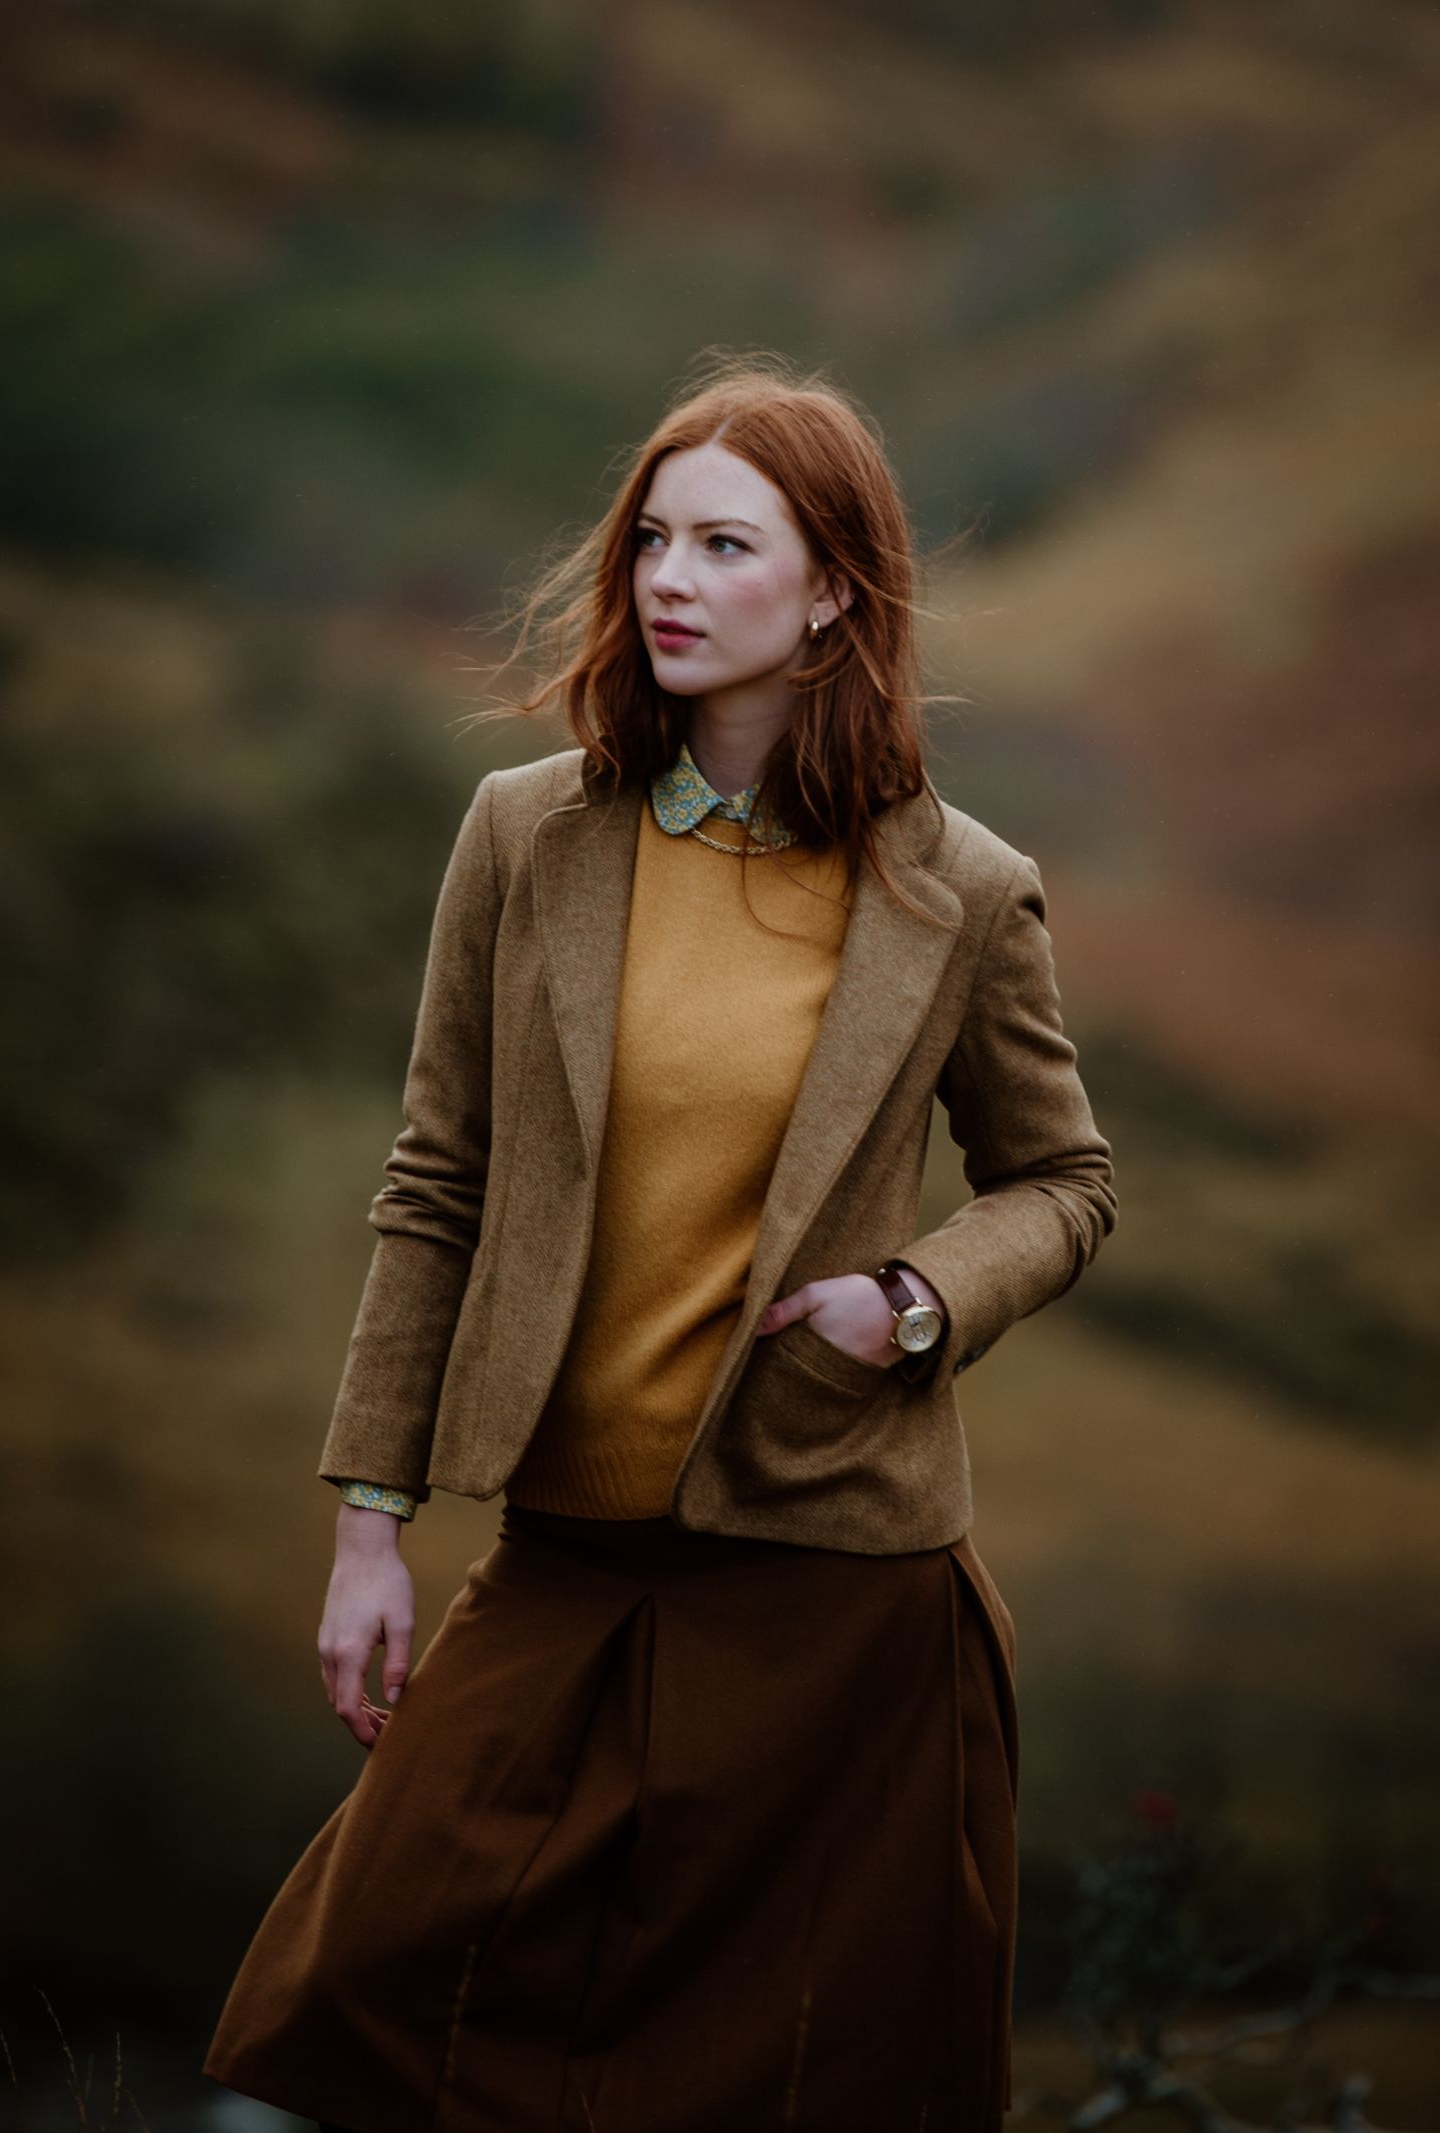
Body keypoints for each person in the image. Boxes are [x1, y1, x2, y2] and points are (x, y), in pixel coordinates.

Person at [201, 352, 1117, 2133]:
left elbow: (1064, 1180)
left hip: (832, 1591)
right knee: (362, 1988)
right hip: (564, 1556)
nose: (668, 581)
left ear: (834, 591)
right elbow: (438, 1180)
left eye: (724, 545)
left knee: (775, 2083)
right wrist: (370, 1524)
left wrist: (915, 1298)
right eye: (650, 541)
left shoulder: (958, 887)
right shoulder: (526, 833)